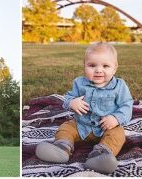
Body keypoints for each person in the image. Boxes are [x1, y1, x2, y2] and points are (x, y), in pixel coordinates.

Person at [34, 42, 134, 174]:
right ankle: (62, 147)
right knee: (66, 127)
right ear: (84, 66)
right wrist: (72, 103)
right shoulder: (79, 83)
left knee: (118, 135)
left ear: (114, 68)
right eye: (92, 65)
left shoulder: (119, 86)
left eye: (105, 66)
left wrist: (116, 118)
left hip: (106, 127)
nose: (98, 70)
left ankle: (101, 154)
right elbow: (68, 97)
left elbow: (127, 105)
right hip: (81, 124)